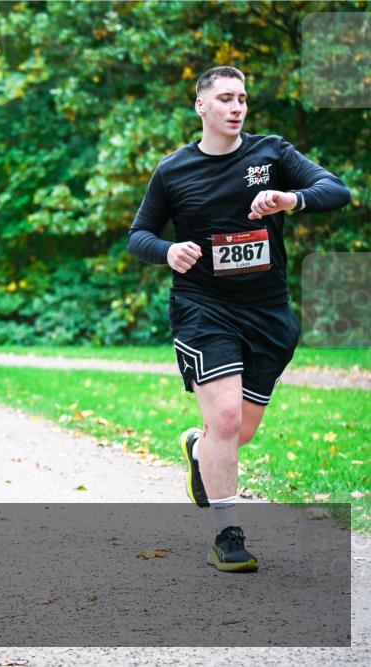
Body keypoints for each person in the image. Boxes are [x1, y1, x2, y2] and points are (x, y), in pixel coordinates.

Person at [127, 66, 350, 572]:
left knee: (238, 431)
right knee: (225, 418)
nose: (236, 107)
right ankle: (228, 535)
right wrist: (167, 251)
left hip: (268, 313)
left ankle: (198, 447)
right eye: (225, 98)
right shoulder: (173, 170)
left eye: (243, 98)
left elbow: (337, 190)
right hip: (204, 308)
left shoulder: (270, 154)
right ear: (201, 106)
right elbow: (138, 235)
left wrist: (290, 198)